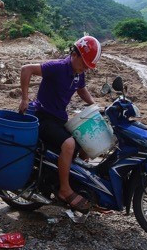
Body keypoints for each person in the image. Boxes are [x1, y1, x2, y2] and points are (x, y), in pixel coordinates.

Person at [18, 36, 101, 213]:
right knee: (69, 144)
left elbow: (81, 89)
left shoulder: (78, 73)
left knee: (84, 140)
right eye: (84, 63)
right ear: (74, 54)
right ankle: (64, 189)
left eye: (88, 66)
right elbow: (26, 69)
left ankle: (74, 180)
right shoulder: (57, 67)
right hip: (42, 116)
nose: (86, 68)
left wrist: (95, 106)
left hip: (58, 118)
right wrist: (25, 99)